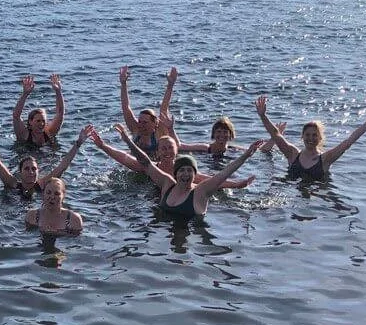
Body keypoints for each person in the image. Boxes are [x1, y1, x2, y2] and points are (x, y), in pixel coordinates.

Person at [116, 133, 264, 218]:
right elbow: (145, 162)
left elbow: (224, 173)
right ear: (176, 173)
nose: (185, 174)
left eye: (189, 170)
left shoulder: (201, 191)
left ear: (195, 174)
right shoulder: (167, 183)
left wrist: (245, 155)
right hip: (161, 236)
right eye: (181, 170)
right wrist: (129, 141)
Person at [255, 96, 366, 181]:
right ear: (302, 137)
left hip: (318, 198)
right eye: (307, 135)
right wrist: (263, 116)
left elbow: (349, 141)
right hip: (293, 196)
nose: (311, 138)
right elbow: (276, 135)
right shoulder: (292, 154)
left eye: (314, 135)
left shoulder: (325, 159)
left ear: (320, 138)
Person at [89, 126, 255, 191]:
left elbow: (212, 180)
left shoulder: (184, 172)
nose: (167, 151)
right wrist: (103, 146)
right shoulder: (151, 167)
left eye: (170, 148)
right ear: (158, 152)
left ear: (177, 150)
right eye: (163, 148)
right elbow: (125, 158)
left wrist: (237, 184)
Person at [0, 119, 92, 197]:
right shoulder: (12, 183)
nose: (31, 172)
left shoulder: (43, 185)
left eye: (34, 169)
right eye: (27, 169)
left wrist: (79, 142)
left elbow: (62, 166)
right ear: (20, 172)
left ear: (38, 171)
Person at [119, 65, 177, 154]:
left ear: (155, 123)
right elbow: (125, 107)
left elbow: (163, 109)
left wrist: (170, 85)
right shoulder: (135, 129)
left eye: (145, 122)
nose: (141, 125)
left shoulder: (160, 132)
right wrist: (123, 84)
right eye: (140, 121)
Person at [13, 73, 65, 147]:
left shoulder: (49, 133)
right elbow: (16, 116)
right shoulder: (23, 134)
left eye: (43, 121)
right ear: (30, 122)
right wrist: (25, 94)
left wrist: (58, 91)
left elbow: (60, 113)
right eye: (38, 121)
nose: (41, 124)